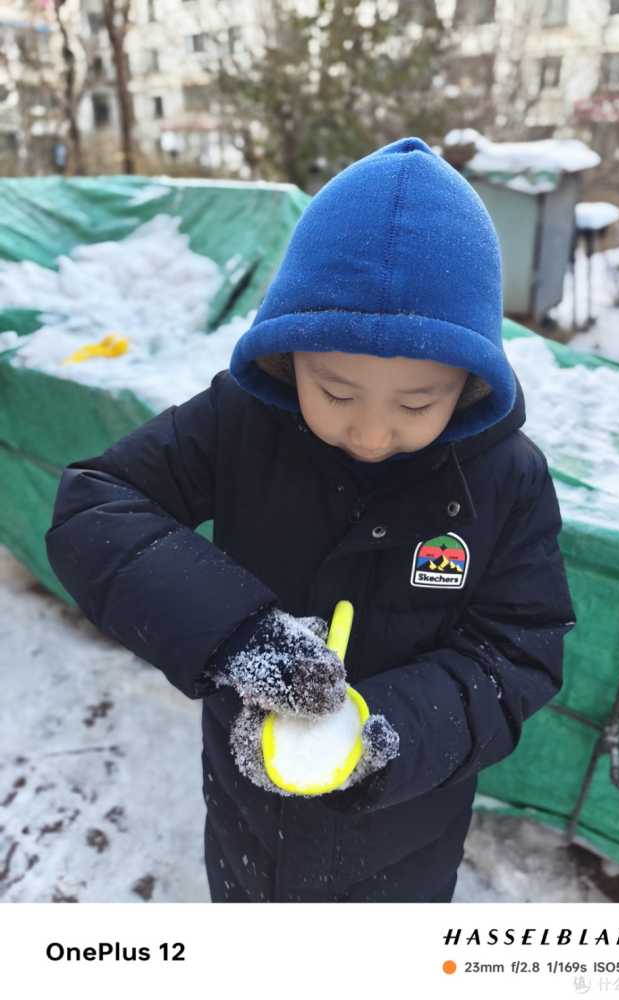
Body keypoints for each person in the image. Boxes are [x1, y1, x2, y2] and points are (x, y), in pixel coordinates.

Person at [45, 136, 577, 903]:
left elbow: (519, 652)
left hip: (404, 844)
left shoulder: (505, 480)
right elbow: (95, 503)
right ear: (286, 354)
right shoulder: (241, 425)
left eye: (416, 403)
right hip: (245, 821)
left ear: (469, 379)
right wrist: (234, 634)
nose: (368, 433)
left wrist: (388, 731)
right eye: (334, 391)